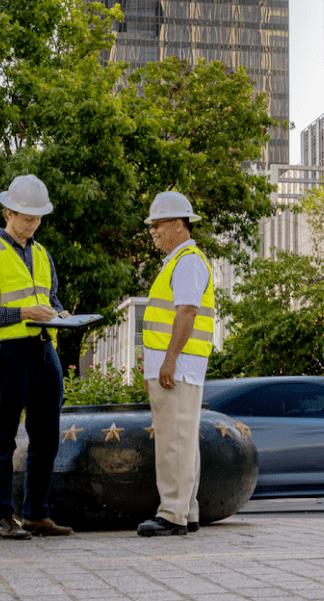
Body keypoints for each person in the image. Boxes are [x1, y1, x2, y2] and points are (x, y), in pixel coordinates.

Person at [0, 174, 74, 540]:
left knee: (46, 437)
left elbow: (53, 298)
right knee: (2, 435)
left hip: (47, 351)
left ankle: (36, 516)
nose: (33, 224)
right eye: (27, 217)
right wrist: (24, 313)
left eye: (38, 217)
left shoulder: (43, 254)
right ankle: (0, 518)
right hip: (10, 351)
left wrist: (61, 313)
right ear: (8, 211)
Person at [137, 191, 215, 537]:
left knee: (173, 442)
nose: (153, 232)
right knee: (182, 441)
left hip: (178, 368)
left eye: (158, 226)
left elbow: (187, 314)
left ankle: (171, 515)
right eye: (152, 227)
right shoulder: (180, 262)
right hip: (176, 368)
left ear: (179, 225)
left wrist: (167, 362)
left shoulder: (187, 262)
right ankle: (187, 511)